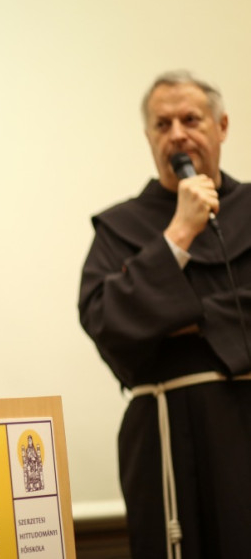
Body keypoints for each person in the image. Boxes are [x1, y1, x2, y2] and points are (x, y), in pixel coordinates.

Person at [79, 70, 251, 559]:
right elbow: (103, 318)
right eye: (162, 124)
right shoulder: (120, 226)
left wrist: (184, 316)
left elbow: (134, 312)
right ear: (149, 137)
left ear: (221, 126)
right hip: (164, 432)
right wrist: (177, 234)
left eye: (191, 119)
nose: (177, 134)